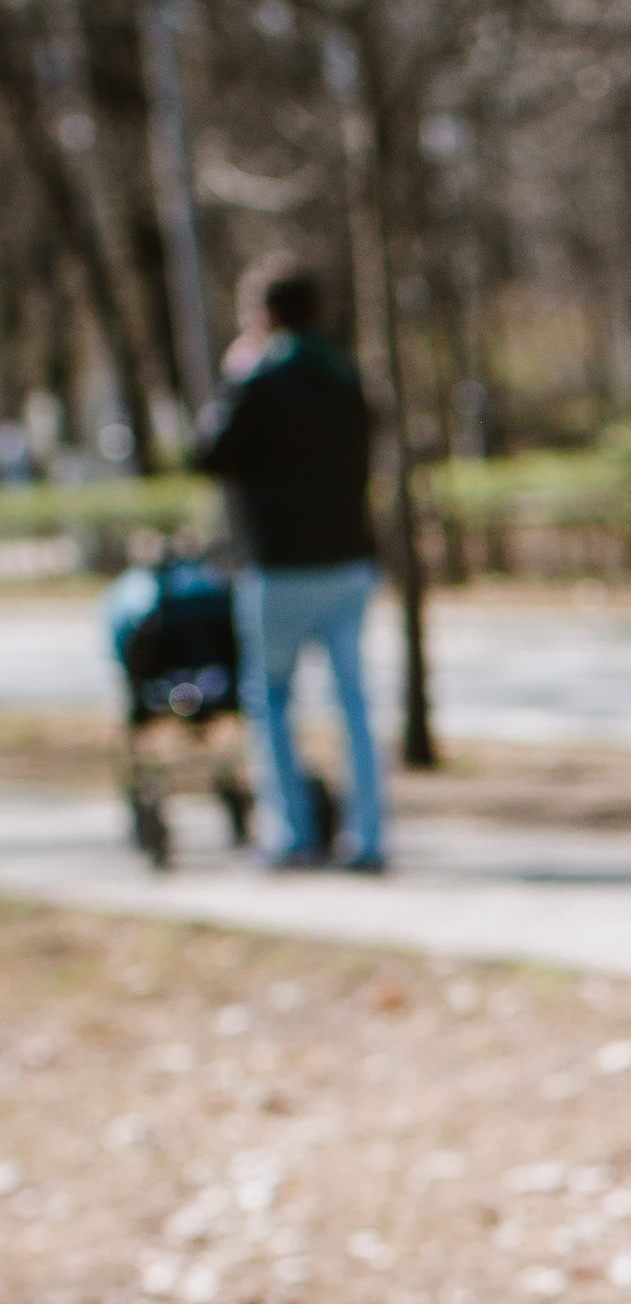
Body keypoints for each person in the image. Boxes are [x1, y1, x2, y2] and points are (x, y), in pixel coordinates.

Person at [195, 262, 385, 873]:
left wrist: (233, 378)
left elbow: (209, 454)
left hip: (278, 566)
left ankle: (291, 835)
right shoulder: (344, 373)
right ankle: (368, 836)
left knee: (271, 700)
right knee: (353, 702)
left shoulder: (260, 377)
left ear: (265, 314)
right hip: (350, 560)